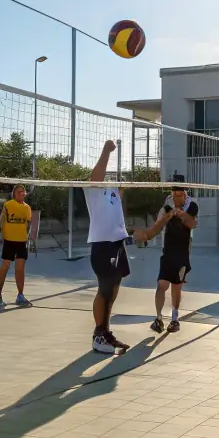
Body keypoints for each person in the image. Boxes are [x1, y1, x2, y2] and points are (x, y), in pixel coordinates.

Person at [85, 140, 131, 355]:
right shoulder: (94, 190)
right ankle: (98, 335)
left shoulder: (112, 193)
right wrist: (106, 151)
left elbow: (117, 209)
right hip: (102, 245)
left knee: (113, 289)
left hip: (118, 244)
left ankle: (106, 331)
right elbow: (96, 176)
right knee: (104, 289)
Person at [134, 182, 198, 334]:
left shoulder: (192, 206)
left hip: (182, 253)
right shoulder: (166, 207)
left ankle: (175, 319)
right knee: (161, 284)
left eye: (179, 195)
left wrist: (181, 214)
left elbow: (192, 224)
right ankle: (158, 318)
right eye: (174, 195)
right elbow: (157, 227)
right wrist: (147, 234)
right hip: (168, 252)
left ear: (184, 193)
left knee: (177, 286)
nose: (176, 199)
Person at [0, 184, 34, 308]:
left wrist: (28, 238)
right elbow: (1, 220)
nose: (21, 193)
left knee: (20, 269)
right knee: (4, 267)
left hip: (21, 242)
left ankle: (20, 295)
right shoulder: (8, 205)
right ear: (14, 194)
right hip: (9, 241)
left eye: (23, 191)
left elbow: (28, 224)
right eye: (19, 191)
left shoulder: (27, 208)